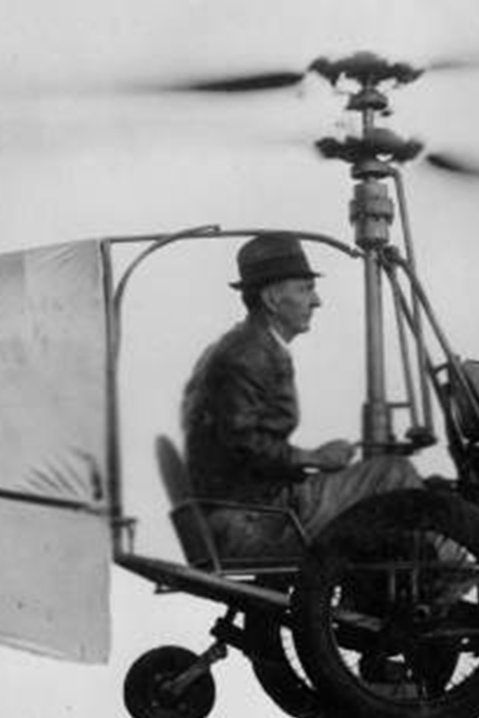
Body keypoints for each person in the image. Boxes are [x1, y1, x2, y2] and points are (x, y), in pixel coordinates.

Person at [180, 233, 420, 556]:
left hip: (248, 509)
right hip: (253, 520)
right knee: (394, 473)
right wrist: (314, 458)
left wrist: (310, 460)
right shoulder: (247, 355)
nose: (316, 301)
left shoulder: (248, 345)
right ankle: (431, 598)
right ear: (272, 298)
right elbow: (240, 445)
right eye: (305, 289)